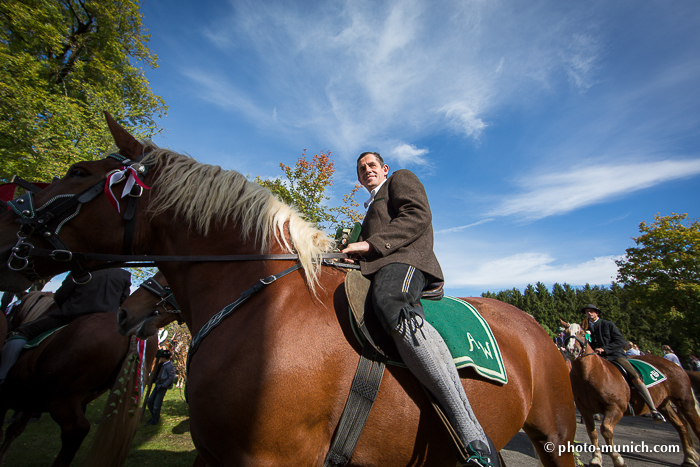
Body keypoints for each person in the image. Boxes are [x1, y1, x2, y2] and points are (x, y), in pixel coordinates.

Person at [341, 152, 499, 467]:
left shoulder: (400, 178)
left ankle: (473, 434)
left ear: (383, 169)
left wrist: (370, 246)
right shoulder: (368, 209)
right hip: (379, 265)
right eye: (362, 169)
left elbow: (417, 215)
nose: (367, 170)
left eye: (372, 165)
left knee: (392, 303)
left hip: (408, 260)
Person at [0, 268, 131, 383]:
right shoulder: (124, 275)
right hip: (103, 322)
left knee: (21, 332)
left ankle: (3, 376)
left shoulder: (81, 270)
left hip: (68, 317)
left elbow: (61, 295)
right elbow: (124, 301)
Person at [582, 304, 665, 423]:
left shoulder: (608, 324)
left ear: (597, 313)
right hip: (598, 359)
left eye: (591, 311)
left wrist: (604, 349)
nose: (589, 314)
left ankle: (653, 409)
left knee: (633, 374)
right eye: (587, 312)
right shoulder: (586, 328)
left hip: (615, 356)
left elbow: (620, 341)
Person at [145, 348, 176, 426]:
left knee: (156, 405)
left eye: (160, 357)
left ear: (164, 358)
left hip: (162, 387)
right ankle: (154, 417)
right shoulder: (161, 364)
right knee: (150, 401)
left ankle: (155, 420)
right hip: (158, 385)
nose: (159, 359)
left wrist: (163, 385)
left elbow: (171, 378)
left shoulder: (170, 366)